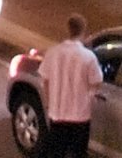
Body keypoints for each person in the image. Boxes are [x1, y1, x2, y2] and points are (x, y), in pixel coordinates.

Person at [37, 13, 101, 158]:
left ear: (68, 29)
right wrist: (89, 97)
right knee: (78, 153)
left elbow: (45, 80)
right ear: (83, 31)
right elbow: (96, 81)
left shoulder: (53, 52)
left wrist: (49, 105)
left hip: (58, 115)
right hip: (80, 117)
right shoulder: (88, 57)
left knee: (56, 152)